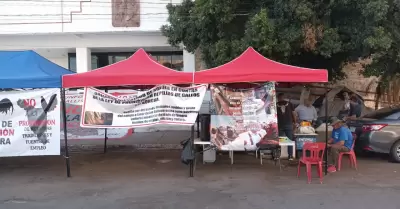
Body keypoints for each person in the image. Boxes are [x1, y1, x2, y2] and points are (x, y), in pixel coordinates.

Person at [276, 93, 297, 160]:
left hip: (280, 125)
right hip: (288, 124)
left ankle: (278, 155)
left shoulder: (276, 105)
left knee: (279, 140)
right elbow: (294, 114)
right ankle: (290, 156)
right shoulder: (290, 104)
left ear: (278, 98)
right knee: (289, 140)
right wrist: (295, 122)